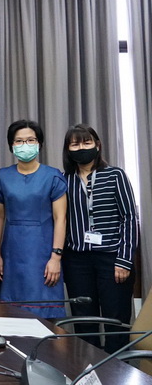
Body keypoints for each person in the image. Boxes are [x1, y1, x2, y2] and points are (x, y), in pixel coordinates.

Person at [61, 124, 139, 353]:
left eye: (86, 142)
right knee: (84, 320)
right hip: (77, 260)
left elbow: (129, 217)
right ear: (68, 150)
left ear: (97, 145)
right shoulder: (64, 180)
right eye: (75, 144)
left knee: (116, 319)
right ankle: (88, 369)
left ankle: (118, 368)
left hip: (112, 258)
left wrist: (124, 260)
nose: (81, 148)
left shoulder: (115, 175)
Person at [0, 120, 67, 318]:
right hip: (12, 252)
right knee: (12, 315)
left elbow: (60, 218)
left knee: (45, 315)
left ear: (39, 143)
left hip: (43, 252)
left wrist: (56, 258)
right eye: (19, 141)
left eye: (30, 140)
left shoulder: (53, 176)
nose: (24, 145)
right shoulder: (2, 176)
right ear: (11, 145)